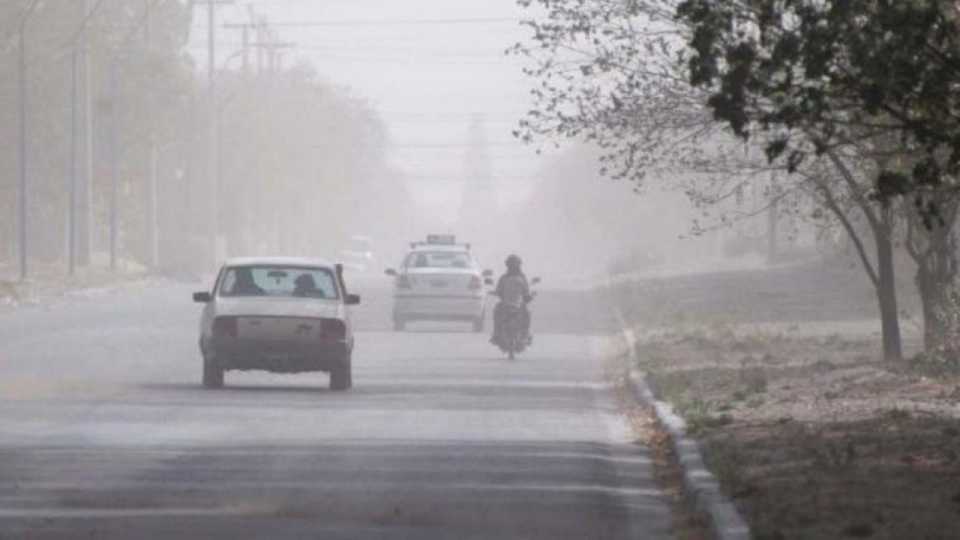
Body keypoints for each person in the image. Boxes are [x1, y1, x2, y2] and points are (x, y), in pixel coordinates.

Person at [491, 254, 532, 346]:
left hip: (514, 305)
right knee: (497, 311)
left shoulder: (506, 278)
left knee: (528, 313)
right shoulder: (519, 278)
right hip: (509, 305)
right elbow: (527, 293)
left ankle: (525, 333)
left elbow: (498, 291)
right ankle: (497, 333)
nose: (513, 266)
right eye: (511, 264)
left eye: (514, 264)